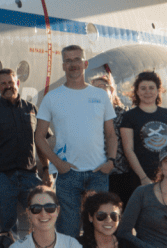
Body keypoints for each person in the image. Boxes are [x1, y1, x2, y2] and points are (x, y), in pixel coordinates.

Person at [34, 46, 117, 236]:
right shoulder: (52, 98)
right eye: (69, 60)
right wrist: (58, 164)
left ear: (85, 63)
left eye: (77, 59)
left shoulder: (100, 95)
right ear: (63, 65)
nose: (73, 64)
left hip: (98, 173)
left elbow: (111, 134)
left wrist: (110, 162)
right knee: (68, 230)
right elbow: (39, 136)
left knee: (99, 230)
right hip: (68, 174)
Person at [0, 69, 46, 235]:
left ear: (17, 84)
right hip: (1, 178)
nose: (8, 87)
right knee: (9, 225)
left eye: (11, 83)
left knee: (44, 214)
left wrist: (47, 170)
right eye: (3, 84)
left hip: (29, 175)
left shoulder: (31, 109)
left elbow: (40, 142)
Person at [119, 71, 167, 201]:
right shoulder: (129, 117)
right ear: (136, 91)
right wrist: (143, 178)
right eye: (143, 88)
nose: (147, 92)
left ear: (158, 91)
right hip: (140, 177)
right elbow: (128, 150)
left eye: (151, 88)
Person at [90, 73, 137, 206]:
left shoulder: (124, 114)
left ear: (111, 91)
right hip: (97, 174)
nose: (99, 90)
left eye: (103, 86)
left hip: (121, 173)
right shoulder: (89, 116)